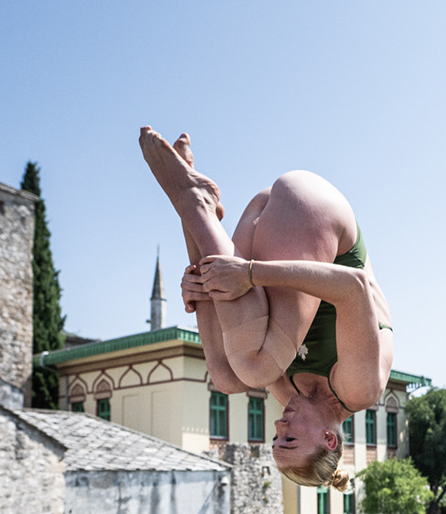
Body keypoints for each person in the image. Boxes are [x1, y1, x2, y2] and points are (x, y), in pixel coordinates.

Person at [139, 127, 393, 489]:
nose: (278, 426)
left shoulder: (291, 393)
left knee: (228, 378)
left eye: (276, 439)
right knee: (256, 368)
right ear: (329, 439)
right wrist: (250, 273)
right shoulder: (359, 389)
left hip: (267, 218)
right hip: (313, 208)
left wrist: (200, 287)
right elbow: (354, 288)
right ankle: (194, 204)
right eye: (289, 439)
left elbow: (231, 327)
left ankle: (195, 215)